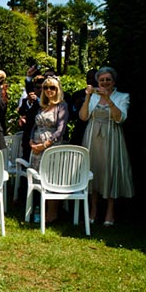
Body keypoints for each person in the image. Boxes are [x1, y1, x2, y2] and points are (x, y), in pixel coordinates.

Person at [79, 67, 133, 226]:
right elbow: (83, 117)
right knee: (93, 170)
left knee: (110, 171)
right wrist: (88, 97)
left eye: (108, 79)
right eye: (101, 80)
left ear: (113, 81)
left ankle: (110, 211)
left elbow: (120, 118)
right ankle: (93, 210)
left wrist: (108, 100)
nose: (104, 82)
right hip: (92, 137)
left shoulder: (122, 97)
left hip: (111, 137)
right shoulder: (93, 96)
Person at [28, 75, 69, 223]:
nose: (49, 90)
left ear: (58, 90)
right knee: (40, 180)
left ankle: (52, 214)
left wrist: (45, 144)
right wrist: (32, 141)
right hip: (37, 149)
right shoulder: (42, 106)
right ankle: (41, 211)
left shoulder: (62, 106)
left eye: (52, 87)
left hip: (53, 147)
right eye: (46, 87)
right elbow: (35, 125)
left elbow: (61, 129)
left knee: (52, 179)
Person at [17, 75, 45, 161]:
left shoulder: (49, 101)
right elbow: (21, 111)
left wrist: (37, 101)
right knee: (27, 157)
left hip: (43, 135)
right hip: (29, 135)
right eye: (37, 88)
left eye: (42, 88)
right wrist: (29, 102)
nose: (40, 90)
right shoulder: (27, 100)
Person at [70, 69, 98, 146]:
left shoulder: (104, 96)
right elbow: (71, 115)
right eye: (88, 78)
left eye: (93, 78)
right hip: (80, 131)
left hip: (97, 131)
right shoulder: (78, 95)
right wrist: (75, 106)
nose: (91, 80)